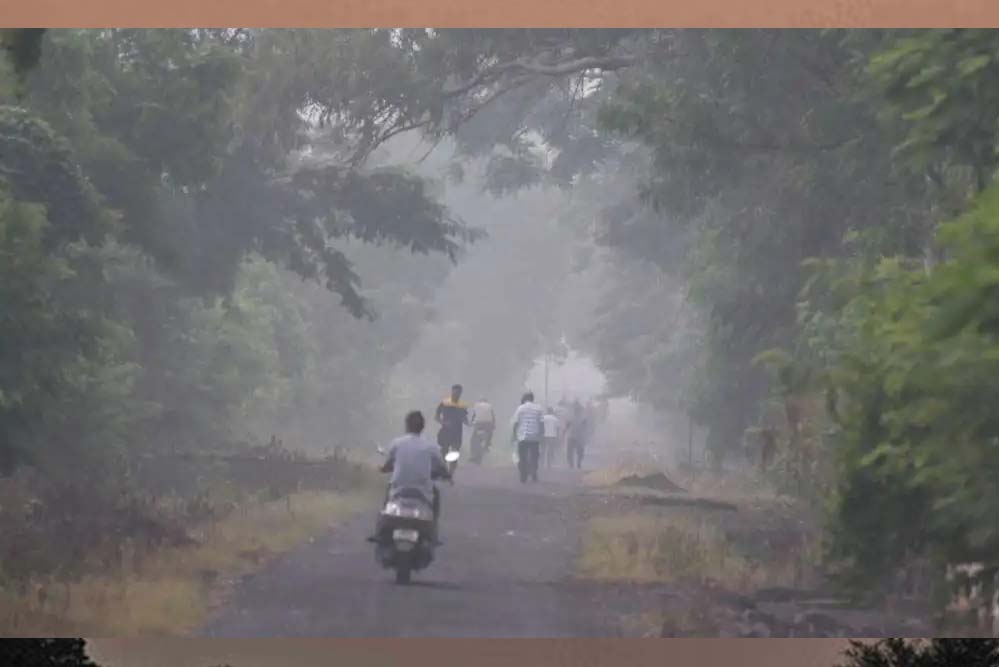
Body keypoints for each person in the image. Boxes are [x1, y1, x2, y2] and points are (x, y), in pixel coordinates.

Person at [372, 410, 451, 544]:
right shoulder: (431, 447)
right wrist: (447, 476)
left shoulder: (397, 443)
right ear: (423, 427)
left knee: (387, 497)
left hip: (398, 491)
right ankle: (434, 533)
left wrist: (383, 469)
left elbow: (388, 464)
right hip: (423, 493)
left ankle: (379, 531)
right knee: (436, 494)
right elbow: (442, 468)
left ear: (406, 425)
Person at [511, 391, 544, 483]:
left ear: (524, 399)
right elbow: (541, 423)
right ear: (532, 399)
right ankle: (534, 472)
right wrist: (542, 434)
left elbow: (516, 422)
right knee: (535, 456)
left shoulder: (520, 408)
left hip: (523, 436)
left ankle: (523, 475)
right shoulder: (539, 408)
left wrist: (514, 435)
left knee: (522, 456)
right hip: (535, 437)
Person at [435, 384, 469, 458]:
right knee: (444, 452)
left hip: (457, 432)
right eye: (456, 392)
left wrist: (468, 423)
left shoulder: (462, 405)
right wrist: (443, 422)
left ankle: (452, 466)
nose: (457, 394)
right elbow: (436, 417)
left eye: (459, 392)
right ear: (452, 391)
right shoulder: (444, 403)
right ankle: (443, 464)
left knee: (455, 453)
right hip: (446, 431)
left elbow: (465, 418)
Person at [566, 401, 589, 469]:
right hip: (577, 437)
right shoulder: (583, 418)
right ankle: (575, 463)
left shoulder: (574, 417)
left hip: (574, 437)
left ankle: (574, 463)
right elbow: (585, 428)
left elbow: (567, 426)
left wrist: (564, 433)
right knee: (578, 451)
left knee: (572, 451)